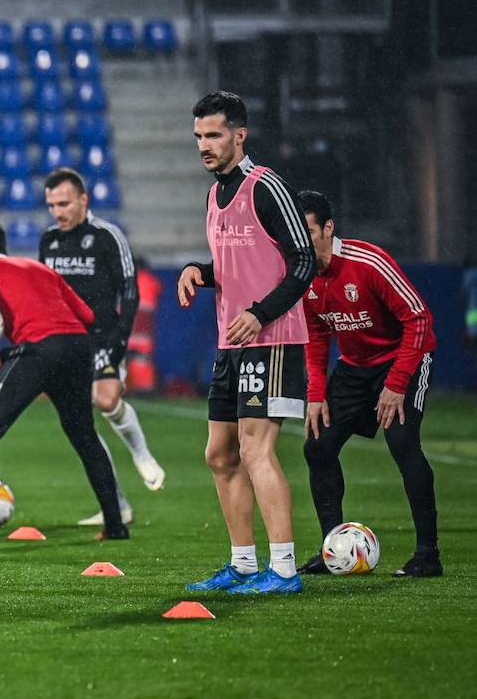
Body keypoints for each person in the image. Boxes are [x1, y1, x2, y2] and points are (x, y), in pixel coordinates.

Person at [177, 90, 316, 596]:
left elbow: (303, 262)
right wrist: (199, 270)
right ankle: (241, 565)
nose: (204, 145)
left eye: (213, 135)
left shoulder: (266, 186)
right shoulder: (214, 196)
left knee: (257, 449)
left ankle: (283, 570)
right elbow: (240, 266)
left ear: (240, 134)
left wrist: (260, 313)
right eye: (198, 136)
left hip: (272, 338)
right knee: (220, 453)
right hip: (232, 343)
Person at [0, 218, 129, 543]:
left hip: (39, 350)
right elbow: (85, 314)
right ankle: (116, 525)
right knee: (84, 435)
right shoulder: (41, 269)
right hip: (77, 347)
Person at [297, 191, 442, 577]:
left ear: (328, 228)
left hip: (404, 359)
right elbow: (314, 334)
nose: (299, 239)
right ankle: (334, 551)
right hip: (355, 367)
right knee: (317, 446)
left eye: (307, 230)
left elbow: (419, 319)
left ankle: (428, 555)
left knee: (403, 443)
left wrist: (396, 384)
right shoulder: (302, 273)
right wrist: (315, 395)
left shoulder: (368, 262)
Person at [40, 168, 165, 529]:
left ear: (83, 200)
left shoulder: (108, 236)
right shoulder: (48, 241)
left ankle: (141, 454)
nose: (57, 212)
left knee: (107, 400)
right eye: (51, 205)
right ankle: (117, 504)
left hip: (102, 337)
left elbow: (129, 291)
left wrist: (119, 340)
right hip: (65, 342)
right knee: (81, 428)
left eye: (63, 203)